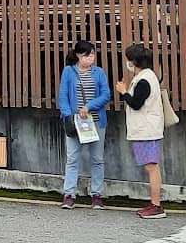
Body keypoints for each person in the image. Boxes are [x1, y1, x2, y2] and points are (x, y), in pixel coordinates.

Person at [56, 39, 111, 209]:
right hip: (75, 122)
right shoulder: (68, 71)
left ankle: (96, 194)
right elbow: (63, 95)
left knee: (97, 159)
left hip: (96, 121)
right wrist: (69, 115)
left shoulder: (99, 72)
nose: (91, 58)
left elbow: (106, 94)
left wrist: (89, 106)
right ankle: (69, 194)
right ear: (79, 55)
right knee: (72, 158)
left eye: (93, 54)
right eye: (88, 55)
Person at [116, 43, 166, 219]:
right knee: (150, 166)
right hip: (146, 129)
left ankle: (156, 205)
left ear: (134, 62)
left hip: (147, 130)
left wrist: (123, 92)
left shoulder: (144, 79)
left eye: (129, 60)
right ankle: (154, 203)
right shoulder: (147, 76)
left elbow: (136, 104)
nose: (127, 63)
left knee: (151, 167)